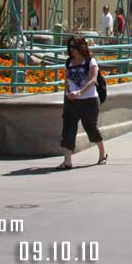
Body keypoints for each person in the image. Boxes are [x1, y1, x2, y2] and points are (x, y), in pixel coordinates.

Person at [56, 36, 106, 169]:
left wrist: (79, 92)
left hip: (89, 100)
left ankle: (102, 153)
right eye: (70, 47)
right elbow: (67, 81)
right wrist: (67, 96)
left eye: (74, 47)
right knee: (68, 128)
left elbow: (93, 80)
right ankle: (67, 161)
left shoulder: (90, 61)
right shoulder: (68, 62)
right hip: (71, 101)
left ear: (81, 47)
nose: (71, 50)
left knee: (91, 127)